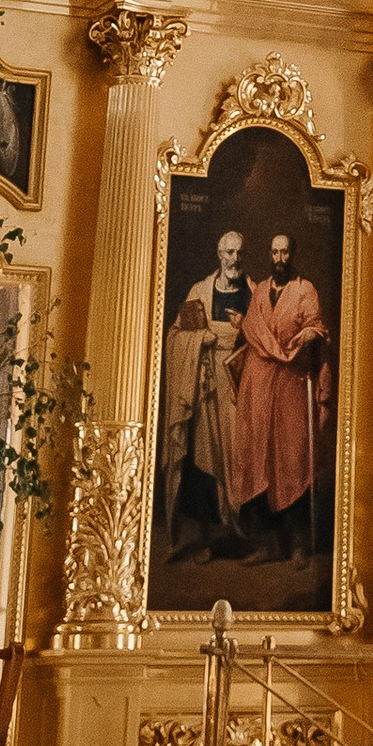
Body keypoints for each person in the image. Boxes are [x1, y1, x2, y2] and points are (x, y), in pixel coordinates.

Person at [232, 230, 332, 559]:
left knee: (293, 459)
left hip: (291, 383)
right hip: (259, 385)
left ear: (292, 254)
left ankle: (299, 544)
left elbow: (318, 326)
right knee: (258, 458)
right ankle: (268, 544)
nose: (279, 258)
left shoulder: (305, 290)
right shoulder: (260, 290)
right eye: (275, 252)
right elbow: (252, 328)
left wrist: (308, 334)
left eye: (284, 252)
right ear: (269, 255)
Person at [160, 227, 253, 553]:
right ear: (219, 254)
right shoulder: (199, 291)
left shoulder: (254, 293)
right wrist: (202, 338)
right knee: (203, 459)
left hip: (241, 386)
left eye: (239, 253)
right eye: (229, 252)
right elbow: (176, 335)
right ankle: (204, 538)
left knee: (241, 454)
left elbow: (264, 334)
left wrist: (244, 330)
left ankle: (240, 533)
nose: (234, 259)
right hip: (206, 387)